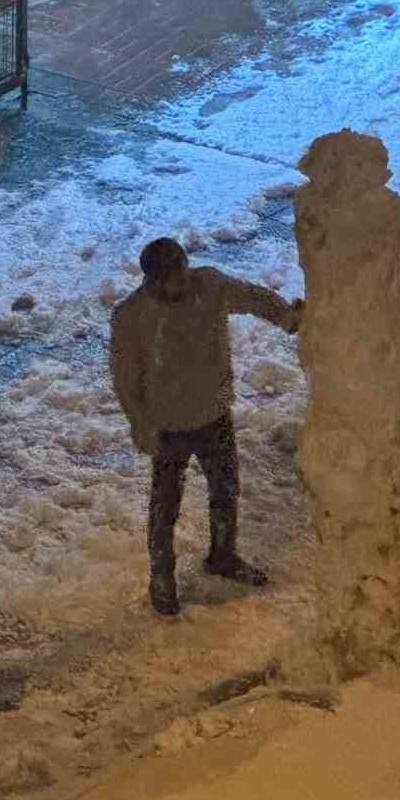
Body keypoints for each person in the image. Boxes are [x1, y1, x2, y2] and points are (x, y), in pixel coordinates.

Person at [108, 236, 302, 616]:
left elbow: (252, 297)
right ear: (153, 281)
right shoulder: (132, 316)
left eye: (183, 271)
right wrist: (141, 426)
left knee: (226, 490)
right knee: (165, 506)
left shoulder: (209, 285)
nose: (182, 282)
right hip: (168, 426)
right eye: (172, 277)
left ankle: (223, 555)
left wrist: (287, 316)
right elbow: (126, 379)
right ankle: (161, 579)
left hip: (214, 415)